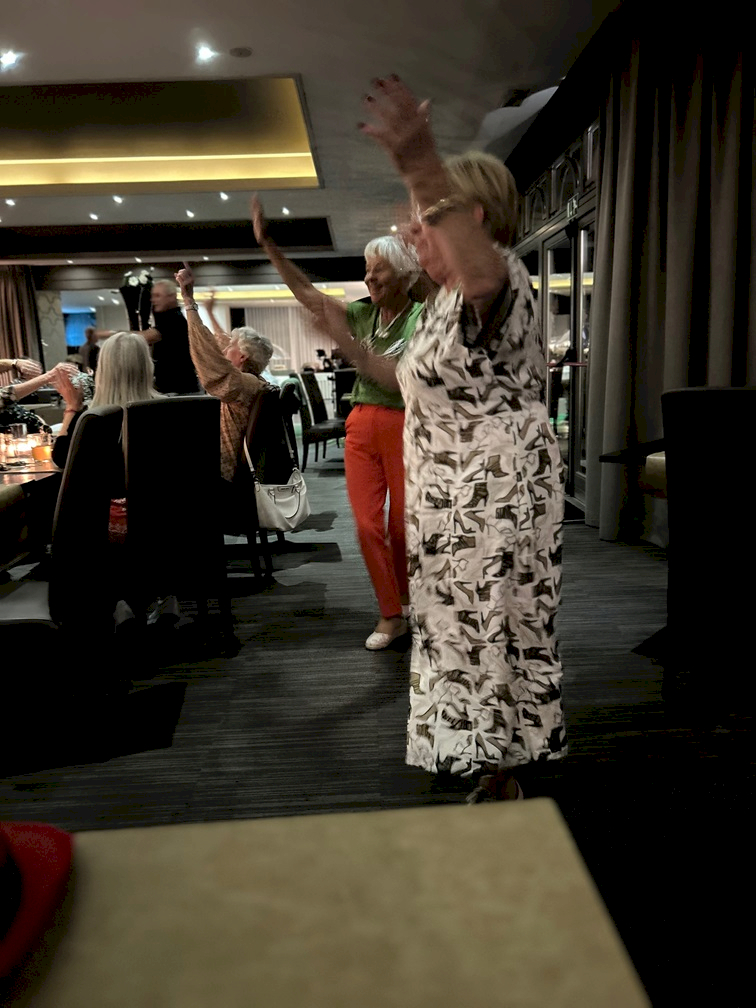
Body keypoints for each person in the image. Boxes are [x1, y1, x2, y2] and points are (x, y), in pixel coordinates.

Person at [318, 75, 567, 800]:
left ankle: (502, 772)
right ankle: (483, 757)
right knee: (462, 633)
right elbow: (401, 381)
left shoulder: (496, 280)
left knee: (493, 635)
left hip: (492, 499)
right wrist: (345, 341)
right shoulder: (443, 305)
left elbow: (480, 273)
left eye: (425, 219)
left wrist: (419, 162)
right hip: (454, 499)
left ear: (469, 217)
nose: (410, 231)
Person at [252, 197, 423, 649]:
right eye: (367, 270)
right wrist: (270, 247)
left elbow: (407, 379)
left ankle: (409, 601)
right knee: (367, 525)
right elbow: (307, 294)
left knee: (403, 525)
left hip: (407, 426)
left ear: (405, 274)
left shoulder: (423, 319)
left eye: (379, 270)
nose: (369, 278)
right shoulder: (362, 314)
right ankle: (391, 613)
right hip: (361, 424)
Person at [172, 265, 277, 518]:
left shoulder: (243, 384)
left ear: (242, 357)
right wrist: (192, 303)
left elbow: (209, 360)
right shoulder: (254, 382)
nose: (224, 349)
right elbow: (212, 344)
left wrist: (189, 302)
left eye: (230, 347)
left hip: (223, 475)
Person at [140, 280, 200, 395]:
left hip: (181, 390)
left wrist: (112, 334)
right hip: (173, 389)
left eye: (157, 296)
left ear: (171, 297)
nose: (153, 300)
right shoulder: (166, 319)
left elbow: (148, 337)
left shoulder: (175, 320)